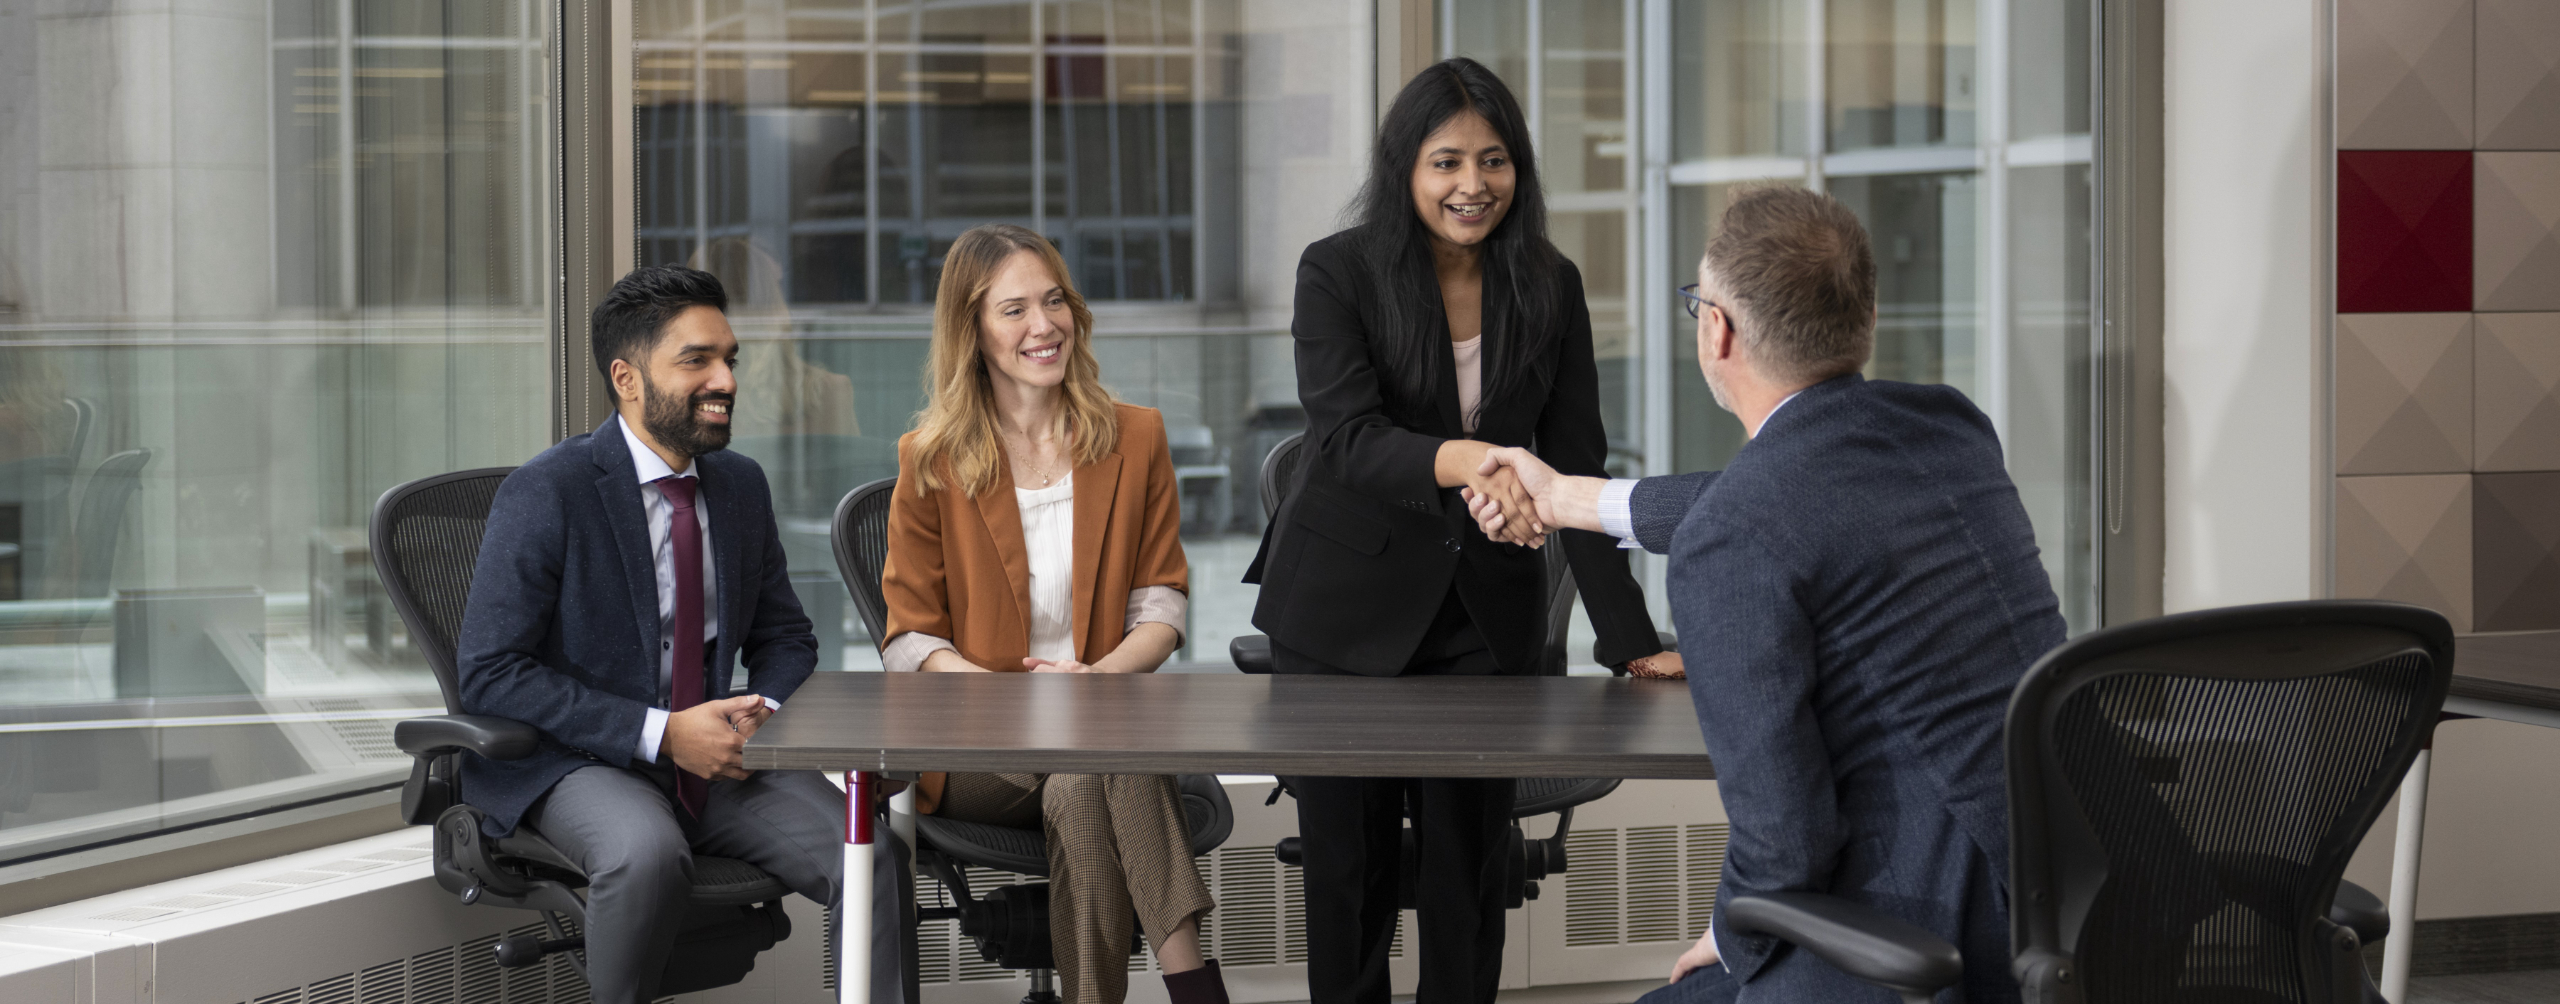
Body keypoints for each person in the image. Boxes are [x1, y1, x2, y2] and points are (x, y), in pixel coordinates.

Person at [1467, 186, 2064, 1003]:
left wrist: (1726, 934)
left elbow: (1785, 845)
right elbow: (1784, 494)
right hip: (2087, 894)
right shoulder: (1948, 426)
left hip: (1932, 934)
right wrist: (1573, 500)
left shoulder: (1740, 535)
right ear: (1865, 316)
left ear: (1717, 330)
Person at [1242, 57, 1679, 1004]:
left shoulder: (1550, 284)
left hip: (1484, 612)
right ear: (1406, 167)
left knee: (1470, 873)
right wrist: (1481, 462)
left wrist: (1634, 642)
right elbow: (1349, 438)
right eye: (1446, 162)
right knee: (1346, 877)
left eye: (1493, 161)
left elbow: (1574, 471)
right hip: (1341, 613)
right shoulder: (1339, 270)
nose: (1472, 185)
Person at [456, 265, 900, 1004]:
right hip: (579, 759)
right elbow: (492, 671)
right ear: (628, 378)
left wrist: (764, 716)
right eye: (696, 360)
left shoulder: (738, 485)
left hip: (718, 753)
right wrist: (662, 733)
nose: (724, 378)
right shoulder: (550, 490)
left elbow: (786, 638)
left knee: (870, 855)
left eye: (729, 358)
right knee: (645, 853)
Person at [876, 223, 1229, 1004]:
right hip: (980, 740)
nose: (1044, 325)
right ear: (971, 331)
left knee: (1083, 772)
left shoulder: (1136, 437)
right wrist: (1022, 697)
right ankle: (1197, 988)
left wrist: (1094, 682)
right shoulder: (928, 459)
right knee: (1102, 755)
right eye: (1013, 310)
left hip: (1099, 714)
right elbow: (910, 640)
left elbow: (1162, 606)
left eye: (1055, 300)